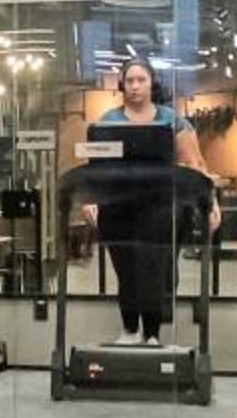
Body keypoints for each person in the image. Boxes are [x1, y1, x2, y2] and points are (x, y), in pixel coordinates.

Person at [88, 55, 212, 345]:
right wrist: (89, 200)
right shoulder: (108, 122)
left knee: (152, 268)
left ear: (151, 82)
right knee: (126, 271)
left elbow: (194, 164)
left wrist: (210, 204)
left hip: (159, 207)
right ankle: (130, 331)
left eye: (140, 79)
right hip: (117, 208)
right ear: (122, 84)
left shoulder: (172, 121)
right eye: (129, 80)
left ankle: (153, 335)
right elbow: (96, 168)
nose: (135, 86)